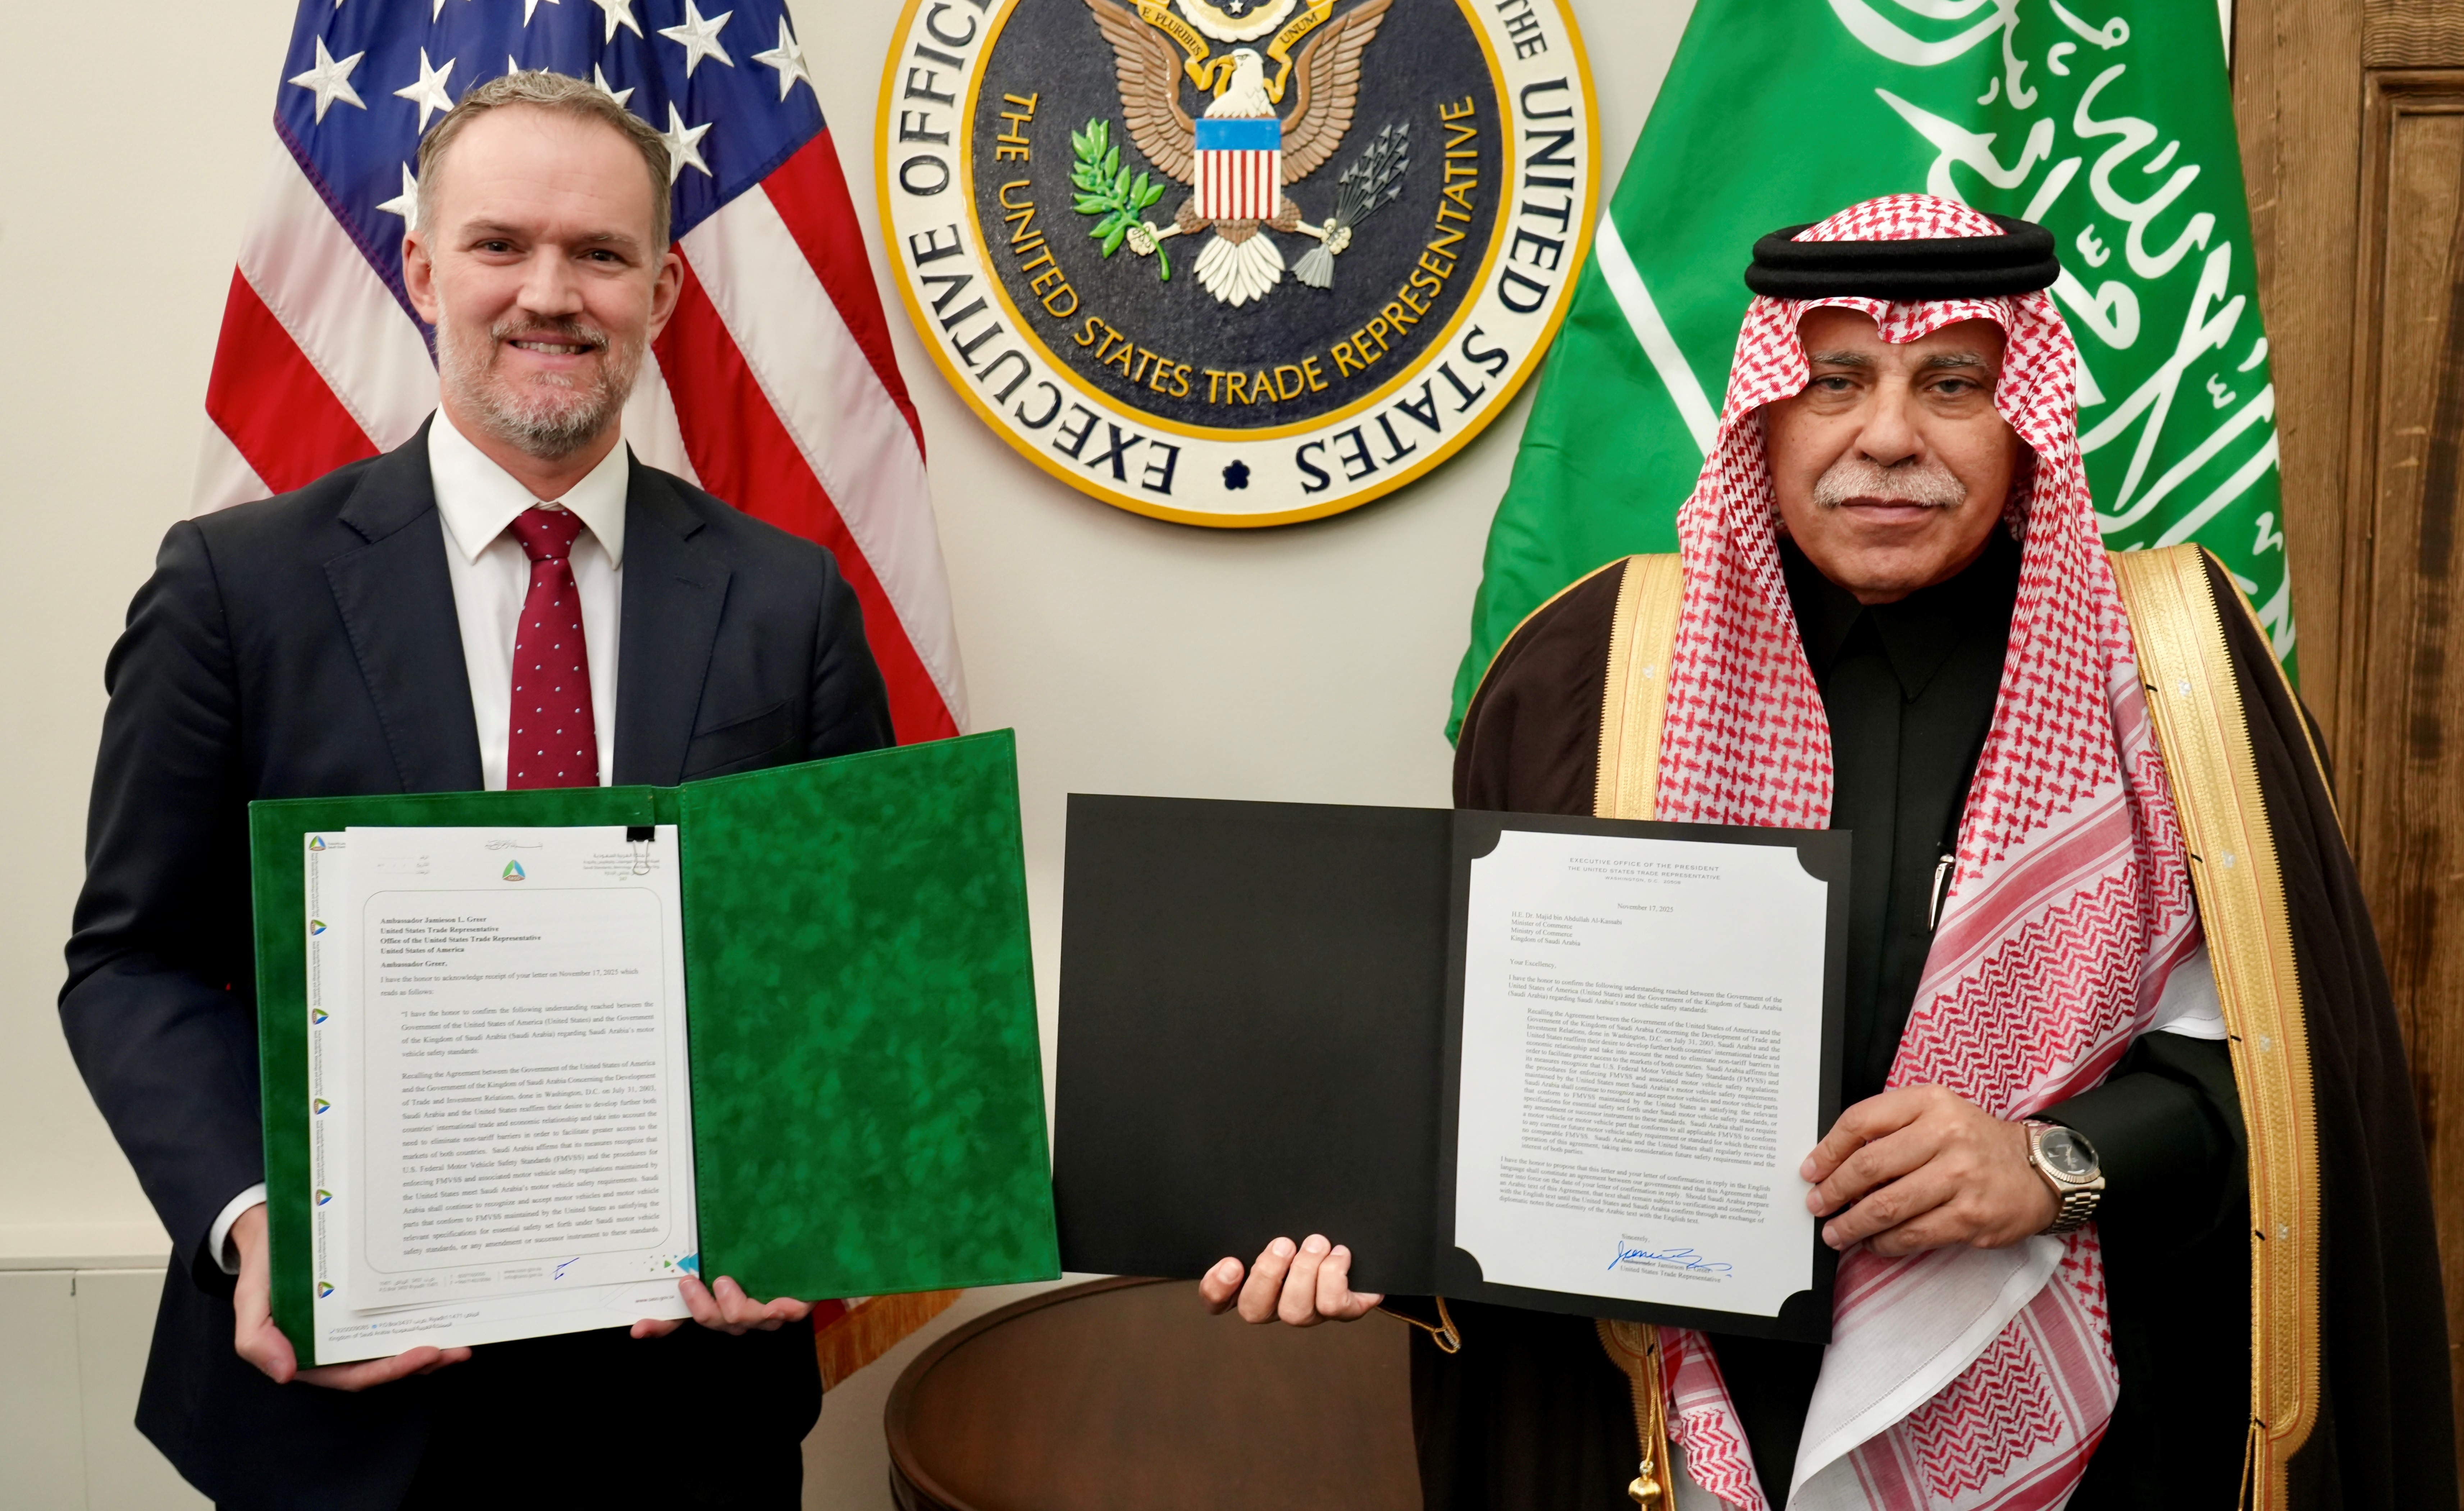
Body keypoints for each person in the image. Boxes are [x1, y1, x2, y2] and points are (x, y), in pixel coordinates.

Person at [1200, 196, 2454, 1508]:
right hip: (1664, 1422)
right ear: (1762, 413)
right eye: (1833, 380)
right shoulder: (1588, 671)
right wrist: (1358, 1228)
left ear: (2025, 417)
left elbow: (2295, 1084)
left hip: (2081, 1427)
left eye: (1952, 384)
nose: (1888, 436)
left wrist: (2054, 1164)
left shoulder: (2176, 677)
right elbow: (1489, 1066)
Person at [60, 73, 890, 1508]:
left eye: (601, 254)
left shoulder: (789, 602)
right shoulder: (233, 589)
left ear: (663, 291)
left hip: (687, 1409)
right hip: (339, 1415)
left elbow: (854, 971)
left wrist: (807, 1200)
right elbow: (135, 961)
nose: (549, 294)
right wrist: (256, 1218)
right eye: (502, 244)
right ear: (424, 268)